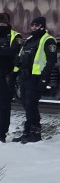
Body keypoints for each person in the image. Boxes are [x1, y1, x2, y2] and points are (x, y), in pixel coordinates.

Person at [15, 16, 55, 143]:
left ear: (42, 26)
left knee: (31, 104)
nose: (33, 28)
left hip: (36, 77)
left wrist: (44, 78)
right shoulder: (30, 39)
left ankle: (35, 132)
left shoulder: (48, 40)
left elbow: (51, 61)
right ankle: (27, 132)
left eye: (36, 25)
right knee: (26, 104)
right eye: (32, 25)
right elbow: (21, 57)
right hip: (25, 76)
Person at [0, 13, 20, 142]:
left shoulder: (14, 36)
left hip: (6, 74)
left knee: (3, 106)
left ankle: (1, 133)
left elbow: (14, 52)